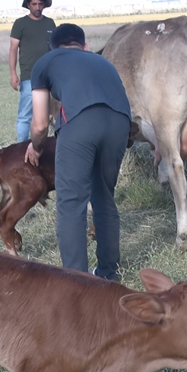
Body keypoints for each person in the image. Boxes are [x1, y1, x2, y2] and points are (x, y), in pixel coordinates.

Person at [26, 23, 131, 280]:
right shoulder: (101, 61)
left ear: (53, 48)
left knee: (72, 203)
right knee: (104, 197)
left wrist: (35, 145)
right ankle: (108, 273)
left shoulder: (46, 61)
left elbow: (40, 124)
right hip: (120, 122)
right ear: (83, 46)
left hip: (81, 122)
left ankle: (77, 282)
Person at [8, 0, 55, 143]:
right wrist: (13, 74)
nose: (37, 7)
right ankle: (21, 147)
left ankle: (46, 146)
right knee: (25, 115)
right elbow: (13, 50)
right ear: (28, 4)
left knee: (51, 114)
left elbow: (56, 49)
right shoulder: (20, 23)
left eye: (40, 4)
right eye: (34, 4)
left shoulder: (50, 23)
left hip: (51, 77)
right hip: (29, 76)